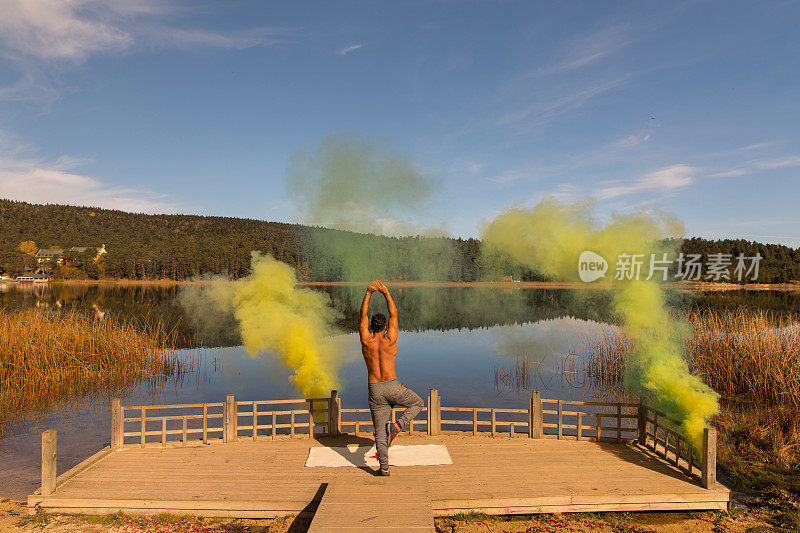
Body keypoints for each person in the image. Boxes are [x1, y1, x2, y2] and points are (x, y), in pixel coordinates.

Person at [360, 280, 424, 476]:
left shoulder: (366, 340)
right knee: (418, 403)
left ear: (371, 326)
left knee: (379, 433)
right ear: (385, 326)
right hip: (393, 386)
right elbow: (394, 314)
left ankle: (384, 469)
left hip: (375, 389)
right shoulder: (390, 339)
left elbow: (362, 315)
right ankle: (397, 425)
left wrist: (369, 292)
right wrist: (386, 293)